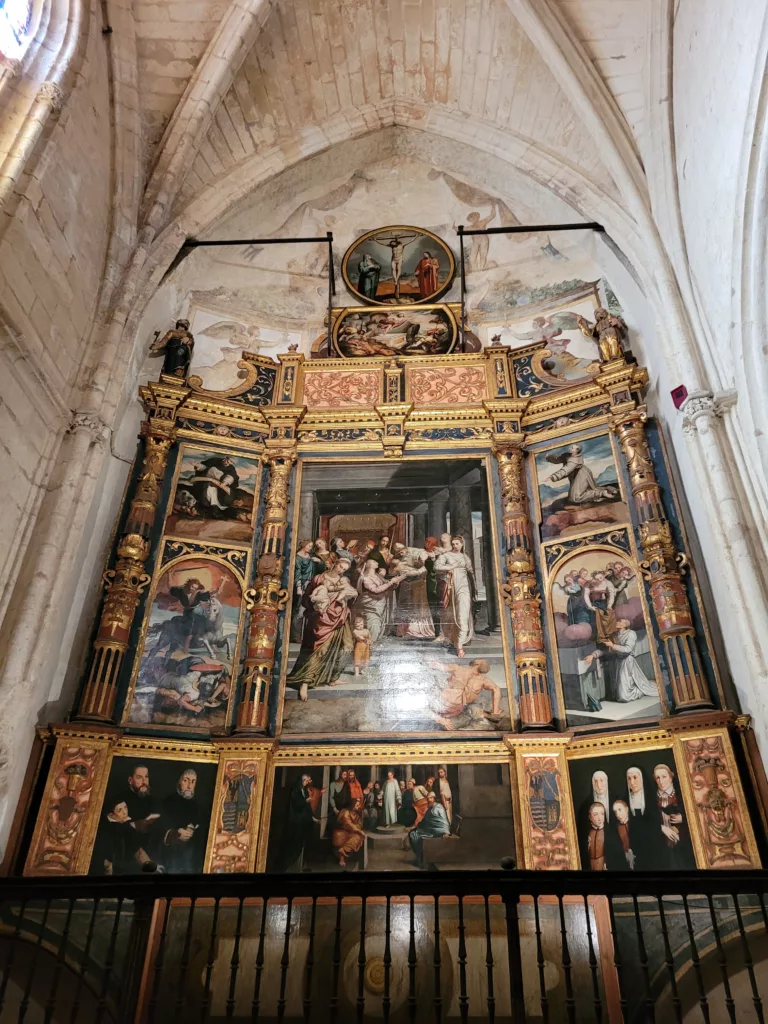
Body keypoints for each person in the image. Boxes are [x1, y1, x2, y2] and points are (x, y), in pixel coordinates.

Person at [287, 558, 358, 701]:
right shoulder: (319, 578)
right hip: (322, 618)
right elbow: (307, 598)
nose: (341, 570)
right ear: (334, 564)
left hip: (340, 617)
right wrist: (316, 606)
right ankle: (305, 683)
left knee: (347, 647)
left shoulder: (344, 581)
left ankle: (332, 677)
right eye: (340, 566)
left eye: (344, 569)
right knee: (320, 649)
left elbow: (351, 596)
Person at [430, 659, 502, 730]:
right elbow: (496, 689)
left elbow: (436, 665)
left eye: (479, 659)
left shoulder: (457, 668)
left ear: (477, 664)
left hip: (441, 703)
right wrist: (495, 711)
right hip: (454, 709)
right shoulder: (483, 681)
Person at [434, 537, 476, 657]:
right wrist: (450, 567)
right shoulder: (446, 555)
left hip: (463, 588)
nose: (455, 546)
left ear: (462, 544)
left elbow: (471, 572)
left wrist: (474, 590)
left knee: (462, 615)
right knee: (452, 615)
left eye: (457, 544)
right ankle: (454, 640)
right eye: (453, 544)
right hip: (450, 589)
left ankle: (460, 646)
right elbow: (436, 567)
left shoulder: (465, 557)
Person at [600, 618, 658, 702]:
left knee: (624, 697)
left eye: (620, 621)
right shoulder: (615, 635)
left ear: (625, 625)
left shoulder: (631, 633)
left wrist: (613, 646)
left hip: (627, 662)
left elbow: (628, 649)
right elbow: (611, 650)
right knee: (620, 693)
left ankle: (640, 691)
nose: (617, 622)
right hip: (619, 662)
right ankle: (638, 687)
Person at [160, 768, 204, 873]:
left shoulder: (197, 806)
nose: (189, 786)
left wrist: (193, 829)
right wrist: (175, 833)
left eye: (193, 782)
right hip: (171, 857)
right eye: (186, 781)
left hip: (192, 860)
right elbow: (159, 829)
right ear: (179, 781)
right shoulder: (167, 802)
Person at [545, 444, 618, 506]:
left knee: (576, 498)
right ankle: (609, 489)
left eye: (573, 448)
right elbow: (558, 459)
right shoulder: (568, 455)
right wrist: (549, 458)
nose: (570, 448)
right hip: (577, 475)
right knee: (574, 497)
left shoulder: (575, 460)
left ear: (577, 450)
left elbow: (565, 470)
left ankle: (602, 493)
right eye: (571, 447)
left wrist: (552, 477)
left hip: (581, 475)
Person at [390, 542, 435, 639]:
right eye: (399, 553)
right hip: (406, 584)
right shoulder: (398, 558)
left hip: (419, 583)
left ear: (405, 548)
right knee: (405, 605)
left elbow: (423, 561)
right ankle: (404, 629)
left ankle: (417, 629)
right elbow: (393, 571)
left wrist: (412, 571)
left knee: (418, 606)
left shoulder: (415, 552)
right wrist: (398, 568)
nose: (401, 554)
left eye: (402, 552)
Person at [654, 764, 695, 869]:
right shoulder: (652, 797)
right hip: (662, 843)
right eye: (657, 778)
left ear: (671, 776)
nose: (661, 781)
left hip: (684, 842)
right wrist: (661, 827)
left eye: (664, 776)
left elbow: (696, 812)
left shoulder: (682, 793)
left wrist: (684, 818)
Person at [353, 559, 403, 644]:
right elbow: (376, 590)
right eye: (373, 561)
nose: (377, 562)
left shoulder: (377, 575)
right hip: (369, 605)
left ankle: (373, 645)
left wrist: (396, 581)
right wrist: (391, 582)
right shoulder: (365, 577)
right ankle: (369, 645)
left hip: (380, 604)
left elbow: (387, 585)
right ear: (368, 565)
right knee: (374, 624)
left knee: (379, 625)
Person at [278, 774, 318, 872]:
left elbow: (307, 808)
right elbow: (296, 805)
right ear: (300, 781)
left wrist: (313, 818)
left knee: (302, 844)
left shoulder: (304, 791)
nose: (305, 782)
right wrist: (305, 801)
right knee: (294, 846)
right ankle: (290, 868)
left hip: (302, 823)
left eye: (306, 780)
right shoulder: (295, 791)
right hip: (295, 823)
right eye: (304, 780)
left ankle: (299, 867)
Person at [408, 793, 451, 868]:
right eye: (428, 799)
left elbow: (444, 821)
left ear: (434, 798)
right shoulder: (430, 808)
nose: (429, 800)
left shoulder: (439, 808)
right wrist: (416, 826)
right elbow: (424, 820)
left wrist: (446, 832)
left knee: (416, 835)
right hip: (429, 829)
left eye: (430, 798)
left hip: (438, 831)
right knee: (413, 834)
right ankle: (420, 857)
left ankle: (421, 859)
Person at [291, 540, 320, 642]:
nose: (310, 548)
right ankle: (296, 636)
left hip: (311, 585)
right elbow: (297, 573)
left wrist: (319, 562)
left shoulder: (311, 557)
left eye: (311, 546)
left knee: (310, 610)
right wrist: (299, 587)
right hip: (302, 586)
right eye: (309, 546)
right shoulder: (298, 558)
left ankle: (307, 637)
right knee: (299, 611)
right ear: (303, 545)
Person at [582, 802, 623, 871]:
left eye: (602, 814)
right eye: (595, 814)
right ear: (590, 817)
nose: (599, 818)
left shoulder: (611, 832)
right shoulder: (586, 833)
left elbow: (617, 855)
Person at [583, 570, 617, 645]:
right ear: (594, 578)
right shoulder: (590, 583)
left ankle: (609, 636)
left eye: (601, 578)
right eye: (597, 579)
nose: (599, 580)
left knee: (609, 616)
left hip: (604, 603)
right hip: (594, 603)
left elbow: (611, 595)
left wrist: (609, 605)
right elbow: (586, 595)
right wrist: (590, 606)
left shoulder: (608, 583)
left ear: (604, 576)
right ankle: (599, 640)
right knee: (596, 620)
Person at [332, 797, 365, 868]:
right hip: (341, 831)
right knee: (353, 836)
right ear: (352, 805)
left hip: (351, 832)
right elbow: (348, 824)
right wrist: (358, 830)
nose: (358, 807)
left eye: (358, 805)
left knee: (358, 837)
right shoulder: (345, 812)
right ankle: (342, 857)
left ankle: (343, 849)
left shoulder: (356, 814)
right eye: (357, 805)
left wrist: (358, 828)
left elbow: (359, 825)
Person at [612, 799, 636, 869]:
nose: (618, 814)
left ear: (626, 809)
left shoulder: (635, 823)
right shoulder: (616, 828)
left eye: (620, 810)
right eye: (615, 812)